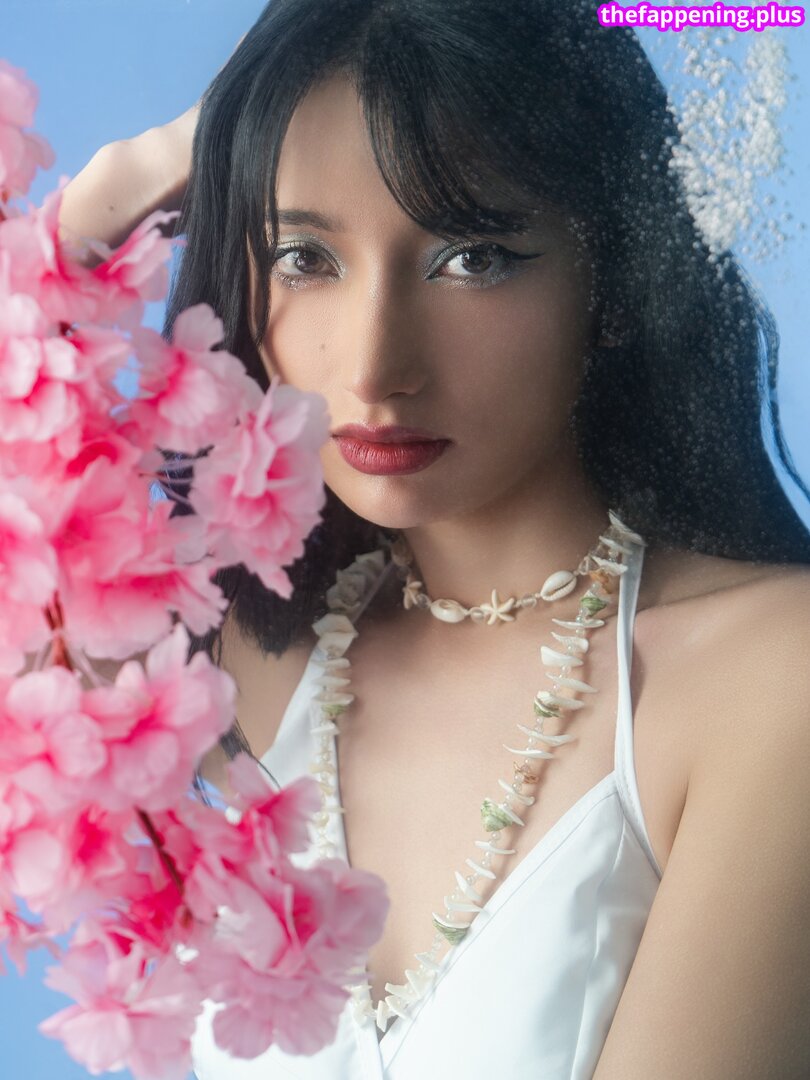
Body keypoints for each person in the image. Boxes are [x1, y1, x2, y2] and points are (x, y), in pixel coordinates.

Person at [58, 1, 810, 1077]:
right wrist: (119, 189)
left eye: (473, 258)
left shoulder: (769, 681)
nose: (375, 367)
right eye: (305, 256)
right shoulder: (239, 660)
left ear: (614, 276)